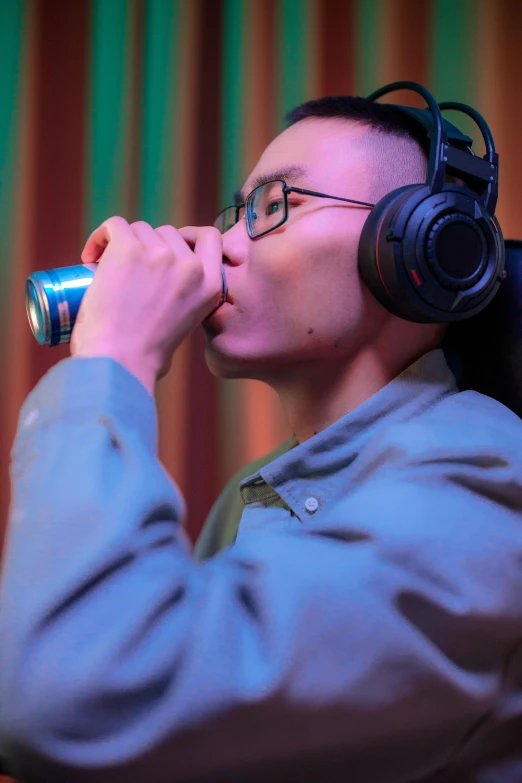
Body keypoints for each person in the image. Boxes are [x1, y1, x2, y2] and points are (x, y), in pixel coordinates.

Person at [1, 93, 522, 783]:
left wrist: (115, 361)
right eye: (236, 214)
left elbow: (73, 694)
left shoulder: (483, 488)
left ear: (420, 244)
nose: (217, 244)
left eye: (275, 206)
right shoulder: (255, 493)